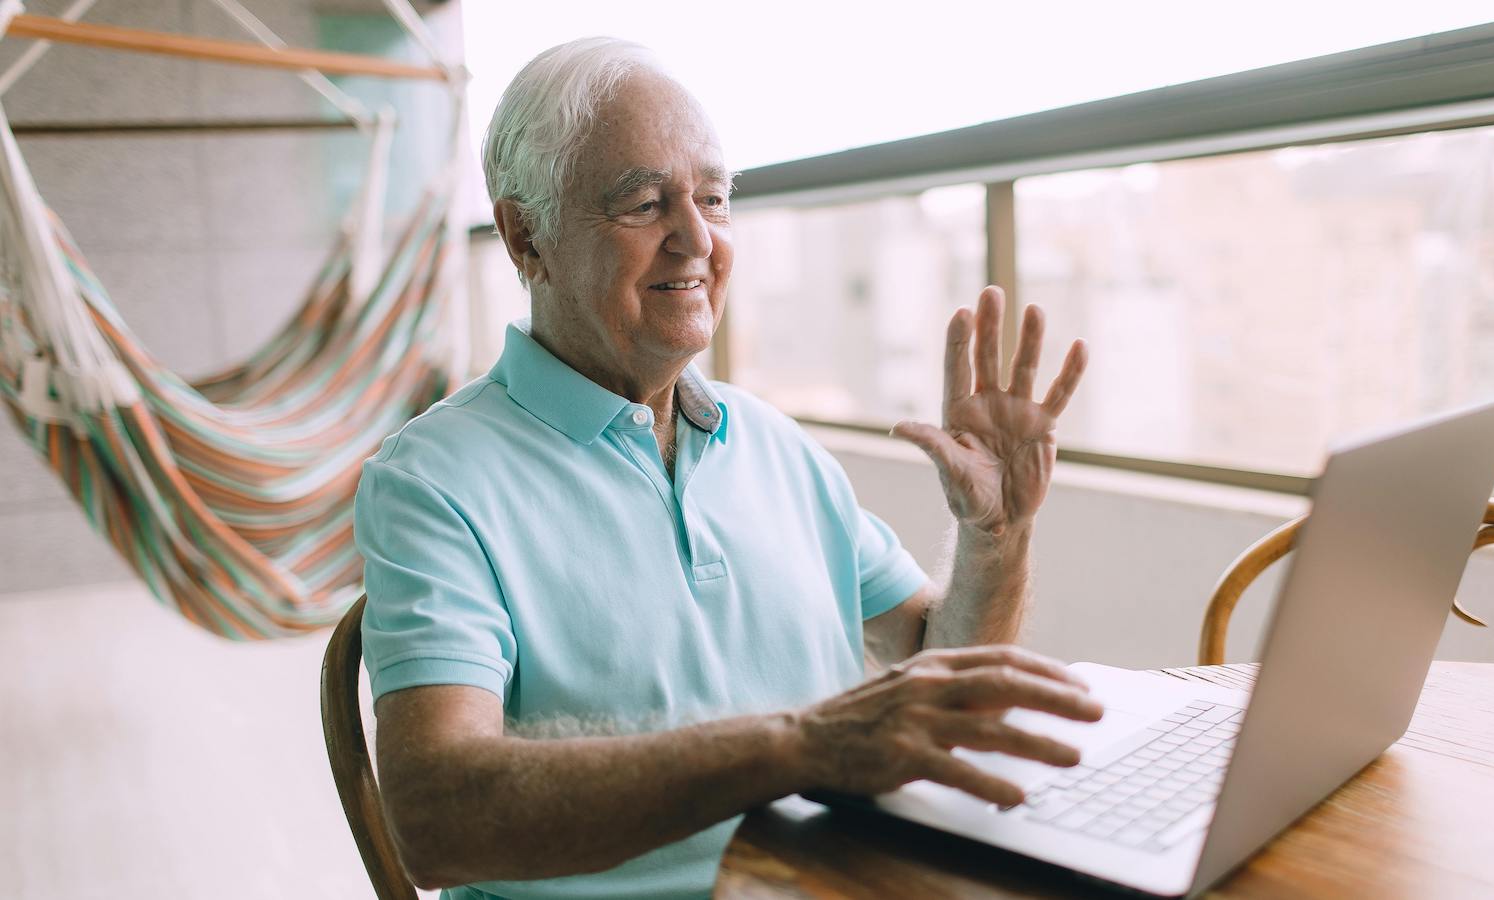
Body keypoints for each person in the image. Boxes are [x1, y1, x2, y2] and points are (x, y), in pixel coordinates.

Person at [354, 36, 1097, 900]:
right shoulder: (433, 482)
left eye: (713, 198)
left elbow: (936, 665)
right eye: (643, 203)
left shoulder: (771, 441)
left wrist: (996, 536)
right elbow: (438, 818)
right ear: (528, 236)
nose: (697, 239)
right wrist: (797, 746)